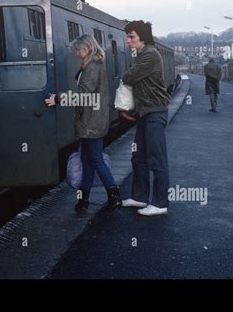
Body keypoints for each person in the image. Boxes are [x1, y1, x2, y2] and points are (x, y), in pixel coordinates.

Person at [45, 34, 121, 212]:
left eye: (78, 50)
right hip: (91, 122)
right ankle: (83, 200)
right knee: (87, 161)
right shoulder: (93, 65)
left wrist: (57, 99)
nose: (77, 54)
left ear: (87, 48)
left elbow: (83, 97)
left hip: (91, 124)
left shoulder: (92, 67)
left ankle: (114, 195)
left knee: (96, 161)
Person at [121, 21, 171, 216]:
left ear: (142, 37)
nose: (128, 41)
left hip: (155, 113)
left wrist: (126, 76)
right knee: (139, 157)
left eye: (131, 37)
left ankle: (160, 203)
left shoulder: (149, 54)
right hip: (144, 112)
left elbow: (130, 77)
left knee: (157, 159)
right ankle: (140, 197)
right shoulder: (141, 54)